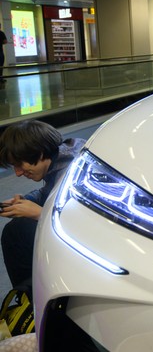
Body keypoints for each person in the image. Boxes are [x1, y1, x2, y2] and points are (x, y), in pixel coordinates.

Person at [0, 120, 86, 287]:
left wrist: (40, 213)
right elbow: (48, 192)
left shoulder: (72, 174)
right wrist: (27, 201)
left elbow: (85, 225)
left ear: (39, 154)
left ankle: (29, 296)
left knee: (16, 232)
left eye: (19, 165)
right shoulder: (65, 154)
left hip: (90, 249)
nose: (17, 173)